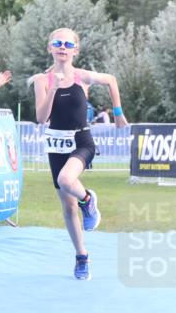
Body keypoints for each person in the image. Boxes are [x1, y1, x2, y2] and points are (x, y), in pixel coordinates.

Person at [31, 28, 128, 280]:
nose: (62, 47)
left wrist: (117, 112)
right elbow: (41, 118)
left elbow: (111, 80)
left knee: (66, 180)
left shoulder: (82, 77)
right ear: (50, 48)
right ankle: (81, 256)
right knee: (67, 206)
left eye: (67, 43)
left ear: (76, 50)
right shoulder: (41, 80)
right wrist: (53, 88)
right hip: (56, 145)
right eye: (57, 43)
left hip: (81, 141)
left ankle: (88, 200)